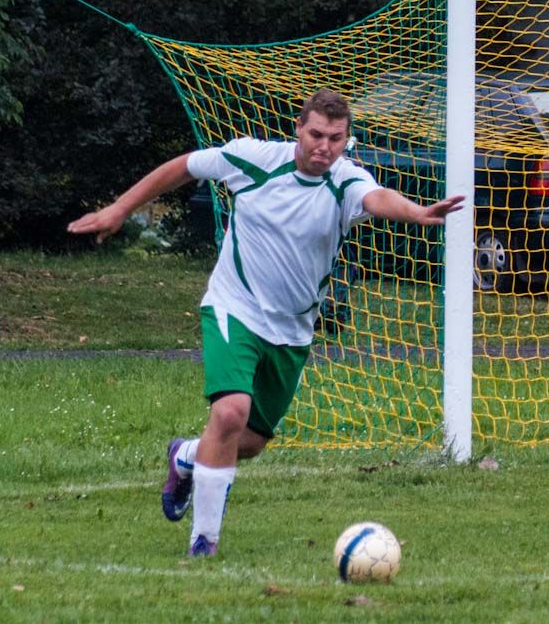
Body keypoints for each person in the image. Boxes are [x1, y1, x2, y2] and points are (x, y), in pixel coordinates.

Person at [68, 88, 465, 556]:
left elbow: (379, 199)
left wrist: (417, 212)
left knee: (249, 442)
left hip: (293, 330)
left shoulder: (346, 180)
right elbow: (183, 167)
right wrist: (119, 209)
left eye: (336, 138)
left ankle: (186, 456)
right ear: (299, 129)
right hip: (234, 307)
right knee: (230, 412)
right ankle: (204, 543)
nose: (324, 146)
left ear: (346, 139)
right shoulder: (252, 159)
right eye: (316, 134)